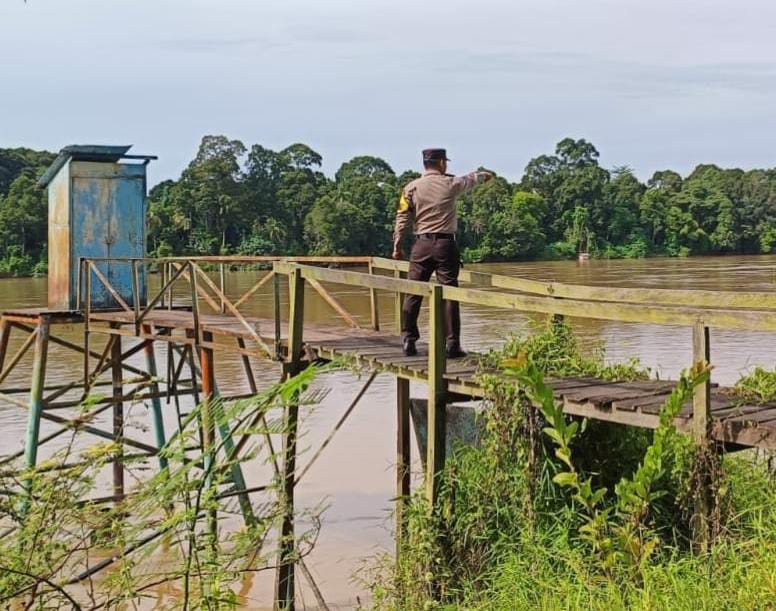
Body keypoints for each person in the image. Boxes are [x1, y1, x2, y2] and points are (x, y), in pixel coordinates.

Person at [392, 148, 493, 357]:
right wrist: (484, 175)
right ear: (440, 163)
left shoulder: (410, 188)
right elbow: (471, 179)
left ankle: (408, 340)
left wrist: (397, 246)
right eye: (445, 162)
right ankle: (452, 344)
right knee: (449, 294)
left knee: (414, 292)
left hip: (421, 245)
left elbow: (402, 219)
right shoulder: (450, 183)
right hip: (445, 245)